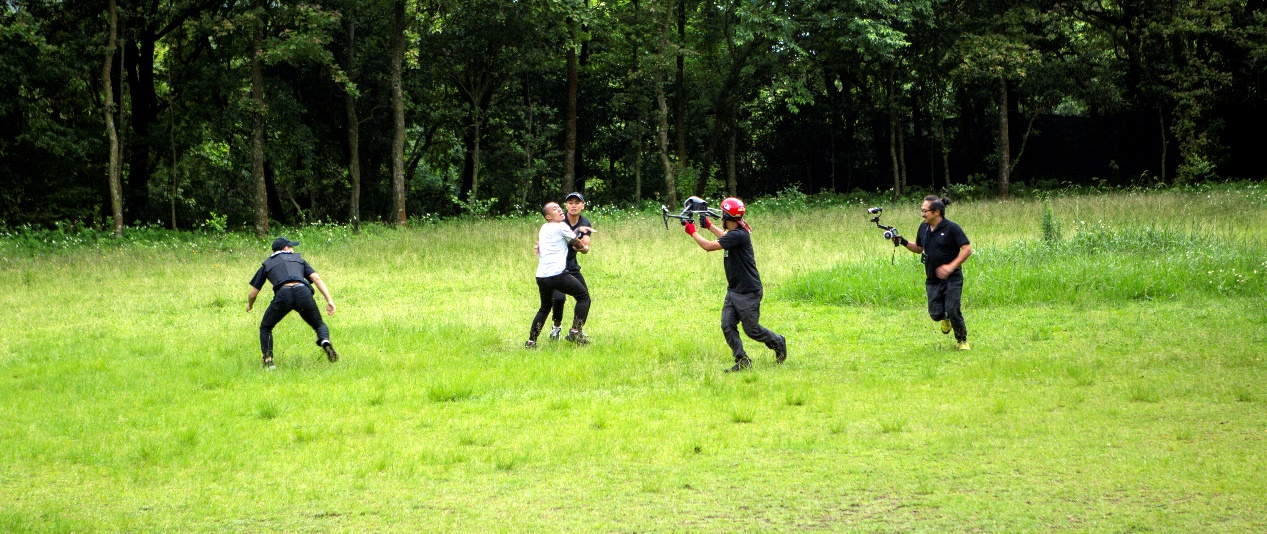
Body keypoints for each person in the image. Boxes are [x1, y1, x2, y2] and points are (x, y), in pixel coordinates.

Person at [683, 197, 787, 372]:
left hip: (748, 291)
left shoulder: (739, 235)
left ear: (726, 217)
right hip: (734, 290)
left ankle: (778, 341)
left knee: (752, 330)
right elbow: (726, 238)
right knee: (727, 325)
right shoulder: (736, 234)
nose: (720, 217)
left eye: (722, 214)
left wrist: (692, 231)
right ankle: (742, 360)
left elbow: (708, 246)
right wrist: (709, 226)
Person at [894, 195, 973, 350]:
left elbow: (967, 249)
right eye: (922, 211)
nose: (922, 214)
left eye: (925, 211)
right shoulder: (923, 228)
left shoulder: (952, 228)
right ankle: (946, 318)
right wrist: (902, 241)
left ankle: (962, 340)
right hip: (932, 279)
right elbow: (918, 248)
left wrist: (950, 267)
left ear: (937, 212)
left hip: (952, 278)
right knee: (935, 314)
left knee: (953, 309)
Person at [247, 236, 339, 368]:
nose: (293, 249)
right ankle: (324, 340)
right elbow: (316, 279)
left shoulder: (267, 264)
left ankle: (268, 361)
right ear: (285, 248)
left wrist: (250, 305)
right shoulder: (298, 259)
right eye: (291, 246)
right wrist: (329, 300)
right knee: (318, 324)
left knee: (266, 327)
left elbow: (253, 294)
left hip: (283, 295)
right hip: (303, 292)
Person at [527, 202, 595, 348]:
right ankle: (575, 332)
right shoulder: (561, 226)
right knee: (584, 297)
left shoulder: (544, 227)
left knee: (545, 307)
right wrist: (583, 247)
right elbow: (576, 243)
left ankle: (531, 341)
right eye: (554, 209)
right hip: (557, 274)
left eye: (558, 207)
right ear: (548, 216)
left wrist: (578, 231)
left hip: (541, 276)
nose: (559, 209)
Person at [547, 192, 594, 341]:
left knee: (585, 297)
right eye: (570, 203)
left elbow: (585, 246)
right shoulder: (559, 221)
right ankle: (556, 327)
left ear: (583, 206)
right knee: (559, 298)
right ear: (566, 206)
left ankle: (575, 330)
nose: (574, 205)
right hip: (556, 265)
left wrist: (582, 247)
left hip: (572, 265)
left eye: (577, 203)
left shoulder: (585, 222)